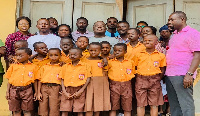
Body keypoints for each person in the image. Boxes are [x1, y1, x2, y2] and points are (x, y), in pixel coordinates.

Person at [166, 11, 200, 116]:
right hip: (169, 74)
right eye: (169, 20)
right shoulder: (174, 35)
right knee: (174, 105)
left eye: (172, 19)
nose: (169, 22)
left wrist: (189, 74)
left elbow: (197, 55)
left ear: (182, 19)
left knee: (186, 104)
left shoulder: (193, 33)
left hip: (182, 74)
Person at [134, 34, 166, 116]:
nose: (147, 42)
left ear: (156, 42)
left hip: (155, 80)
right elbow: (135, 67)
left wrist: (158, 78)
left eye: (150, 40)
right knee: (140, 103)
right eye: (145, 40)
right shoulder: (138, 55)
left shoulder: (161, 55)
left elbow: (162, 69)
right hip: (141, 80)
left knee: (154, 104)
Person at [5, 47, 38, 116]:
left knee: (27, 110)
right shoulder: (13, 66)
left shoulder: (33, 67)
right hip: (13, 90)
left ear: (29, 56)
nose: (18, 57)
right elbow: (9, 80)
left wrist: (37, 92)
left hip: (27, 90)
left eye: (20, 55)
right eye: (16, 55)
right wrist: (7, 92)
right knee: (16, 111)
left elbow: (35, 80)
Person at [105, 43, 135, 116]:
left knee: (127, 107)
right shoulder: (110, 62)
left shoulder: (130, 62)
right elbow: (105, 73)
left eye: (119, 50)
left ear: (125, 52)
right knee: (113, 107)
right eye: (115, 50)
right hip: (114, 86)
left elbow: (133, 73)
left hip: (127, 86)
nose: (117, 52)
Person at [59, 48, 91, 116]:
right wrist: (64, 92)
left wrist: (81, 90)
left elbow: (88, 78)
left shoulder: (86, 66)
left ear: (81, 56)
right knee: (65, 109)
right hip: (67, 89)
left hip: (79, 89)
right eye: (70, 55)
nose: (72, 56)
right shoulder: (65, 66)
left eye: (75, 54)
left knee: (79, 109)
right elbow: (62, 79)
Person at [85, 42, 111, 116]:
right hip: (88, 83)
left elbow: (106, 71)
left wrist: (104, 59)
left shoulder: (103, 61)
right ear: (88, 50)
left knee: (98, 103)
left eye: (96, 50)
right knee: (89, 103)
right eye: (91, 50)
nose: (93, 52)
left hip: (100, 83)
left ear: (100, 51)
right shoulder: (84, 60)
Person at [37, 48, 62, 116]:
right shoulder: (44, 67)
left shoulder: (62, 67)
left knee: (54, 107)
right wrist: (38, 92)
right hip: (44, 87)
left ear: (60, 56)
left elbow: (64, 80)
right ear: (48, 56)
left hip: (56, 88)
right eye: (51, 55)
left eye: (56, 55)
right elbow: (40, 80)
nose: (53, 57)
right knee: (43, 106)